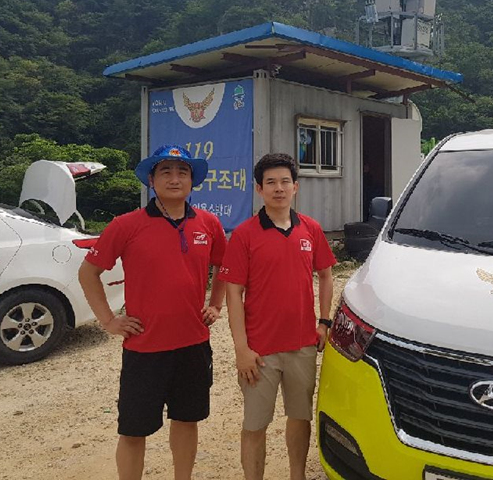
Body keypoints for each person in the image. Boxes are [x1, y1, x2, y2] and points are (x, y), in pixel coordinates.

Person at [78, 144, 227, 480]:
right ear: (151, 179)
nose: (175, 179)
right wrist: (108, 320)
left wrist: (215, 304)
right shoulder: (126, 224)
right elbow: (88, 272)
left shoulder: (209, 223)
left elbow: (223, 266)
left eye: (182, 172)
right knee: (134, 430)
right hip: (144, 348)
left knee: (187, 420)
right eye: (166, 172)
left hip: (193, 344)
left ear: (192, 180)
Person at [219, 153, 336, 480]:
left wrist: (324, 321)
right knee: (255, 424)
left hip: (302, 345)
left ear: (296, 187)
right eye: (270, 182)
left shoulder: (310, 229)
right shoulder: (244, 234)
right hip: (260, 351)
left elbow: (326, 275)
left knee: (300, 418)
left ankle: (297, 475)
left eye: (285, 181)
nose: (279, 188)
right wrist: (241, 349)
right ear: (259, 189)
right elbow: (233, 293)